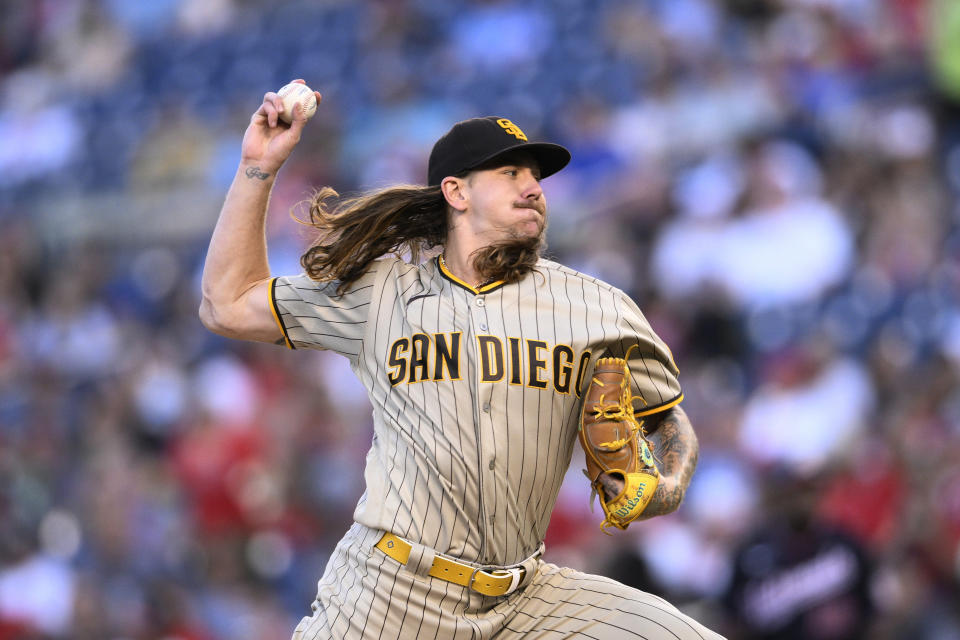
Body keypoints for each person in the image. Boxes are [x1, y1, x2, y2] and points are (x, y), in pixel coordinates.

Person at [200, 80, 724, 639]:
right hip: (389, 590)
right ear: (456, 191)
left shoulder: (597, 307)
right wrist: (258, 167)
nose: (534, 189)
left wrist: (665, 485)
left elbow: (668, 420)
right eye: (511, 173)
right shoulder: (382, 290)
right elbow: (226, 303)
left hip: (526, 598)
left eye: (536, 177)